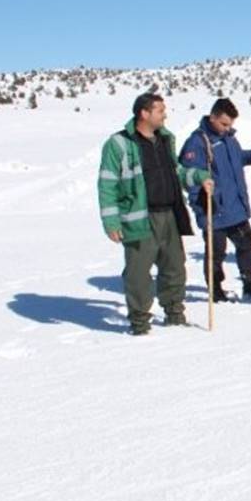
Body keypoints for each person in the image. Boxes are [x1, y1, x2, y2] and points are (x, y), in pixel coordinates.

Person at [98, 93, 212, 335]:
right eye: (160, 110)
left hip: (169, 213)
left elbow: (177, 172)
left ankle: (174, 314)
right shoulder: (119, 144)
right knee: (138, 273)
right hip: (139, 217)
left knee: (174, 268)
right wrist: (111, 221)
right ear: (144, 113)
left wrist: (199, 178)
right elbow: (107, 184)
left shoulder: (164, 139)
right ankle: (140, 322)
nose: (165, 115)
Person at [179, 97, 251, 302]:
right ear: (212, 117)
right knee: (216, 253)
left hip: (235, 206)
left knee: (246, 245)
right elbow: (189, 177)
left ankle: (250, 283)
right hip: (214, 209)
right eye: (224, 124)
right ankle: (216, 289)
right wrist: (201, 207)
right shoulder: (197, 143)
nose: (227, 128)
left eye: (230, 125)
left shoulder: (229, 138)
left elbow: (236, 158)